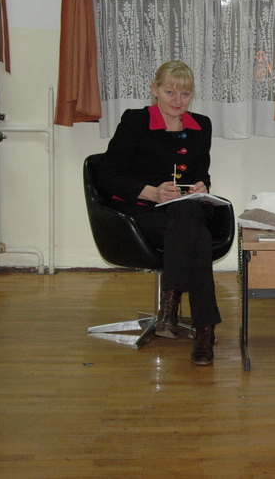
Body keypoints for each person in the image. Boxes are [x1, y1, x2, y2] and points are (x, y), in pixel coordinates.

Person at [96, 60, 223, 366]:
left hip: (184, 212)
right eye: (170, 92)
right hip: (141, 213)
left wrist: (201, 186)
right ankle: (204, 331)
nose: (177, 100)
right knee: (198, 237)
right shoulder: (135, 121)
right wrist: (152, 192)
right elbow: (107, 174)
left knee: (188, 213)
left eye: (185, 94)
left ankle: (170, 308)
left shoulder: (201, 126)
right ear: (154, 90)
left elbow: (201, 174)